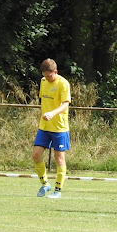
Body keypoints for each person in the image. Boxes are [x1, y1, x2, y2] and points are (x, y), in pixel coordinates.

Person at [32, 59, 71, 199]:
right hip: (44, 126)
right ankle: (45, 184)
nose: (47, 79)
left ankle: (58, 190)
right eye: (45, 76)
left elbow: (65, 104)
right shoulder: (43, 82)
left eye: (50, 76)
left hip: (59, 128)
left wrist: (52, 113)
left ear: (55, 72)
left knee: (59, 157)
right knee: (36, 155)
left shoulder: (63, 83)